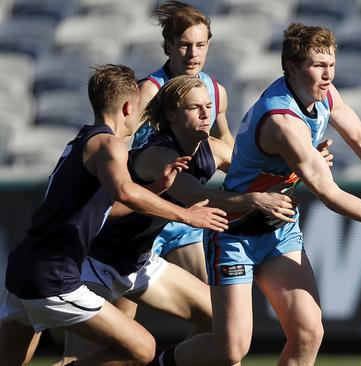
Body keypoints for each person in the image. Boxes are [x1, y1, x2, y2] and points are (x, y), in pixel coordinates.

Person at [147, 23, 361, 366]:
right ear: (290, 68)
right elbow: (329, 193)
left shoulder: (323, 94)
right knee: (230, 350)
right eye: (318, 66)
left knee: (308, 331)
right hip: (236, 233)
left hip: (279, 227)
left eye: (331, 65)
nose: (327, 75)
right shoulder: (281, 121)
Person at [57, 75, 300, 365]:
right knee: (81, 358)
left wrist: (304, 165)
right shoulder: (158, 155)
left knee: (224, 328)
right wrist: (255, 200)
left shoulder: (213, 148)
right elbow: (196, 197)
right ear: (171, 114)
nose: (206, 113)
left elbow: (258, 179)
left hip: (141, 263)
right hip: (95, 263)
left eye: (209, 106)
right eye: (195, 107)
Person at [0, 64, 228, 366]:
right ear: (128, 106)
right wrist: (187, 216)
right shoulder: (109, 144)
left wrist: (158, 187)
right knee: (142, 349)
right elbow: (125, 192)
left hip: (27, 266)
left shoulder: (83, 140)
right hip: (54, 276)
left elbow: (111, 208)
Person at [133, 0, 234, 286]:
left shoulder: (214, 91)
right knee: (120, 318)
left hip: (185, 216)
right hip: (145, 213)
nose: (193, 54)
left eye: (200, 45)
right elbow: (119, 143)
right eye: (184, 45)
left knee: (213, 310)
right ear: (167, 46)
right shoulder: (150, 90)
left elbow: (224, 138)